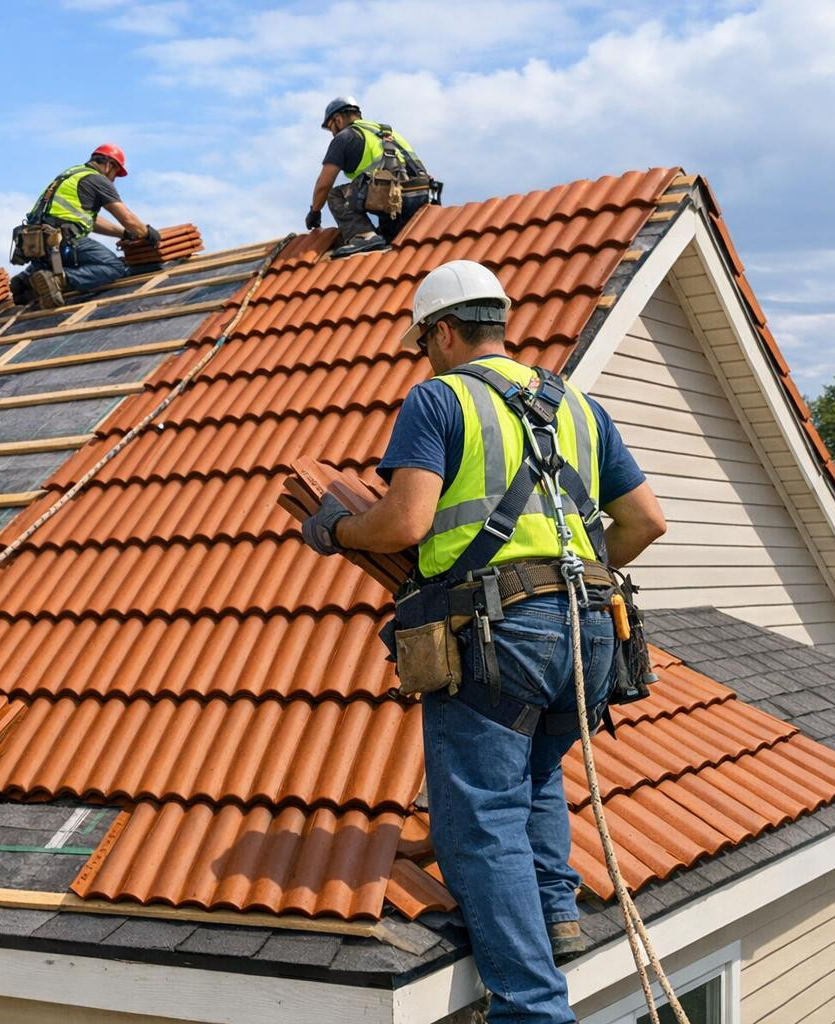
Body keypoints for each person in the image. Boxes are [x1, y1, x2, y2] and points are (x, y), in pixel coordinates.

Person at [300, 260, 666, 1023]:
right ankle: (554, 916)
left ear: (439, 331)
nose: (424, 356)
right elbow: (644, 523)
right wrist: (573, 575)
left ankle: (531, 1008)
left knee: (480, 818)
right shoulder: (575, 404)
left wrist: (335, 530)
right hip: (593, 632)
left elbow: (403, 523)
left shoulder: (438, 398)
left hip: (502, 633)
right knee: (535, 776)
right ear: (496, 320)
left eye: (422, 341)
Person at [9, 144, 160, 309]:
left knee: (58, 257)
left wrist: (123, 234)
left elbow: (90, 221)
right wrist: (147, 233)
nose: (114, 179)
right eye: (116, 173)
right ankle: (58, 280)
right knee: (114, 266)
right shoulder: (97, 179)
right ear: (109, 164)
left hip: (37, 244)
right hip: (62, 242)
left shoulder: (72, 174)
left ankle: (25, 280)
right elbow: (128, 218)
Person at [305, 97, 438, 257]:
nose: (332, 134)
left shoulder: (344, 137)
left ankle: (364, 236)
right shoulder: (388, 133)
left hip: (390, 196)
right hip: (420, 195)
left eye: (331, 128)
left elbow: (324, 184)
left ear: (338, 120)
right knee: (392, 244)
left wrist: (315, 212)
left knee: (335, 194)